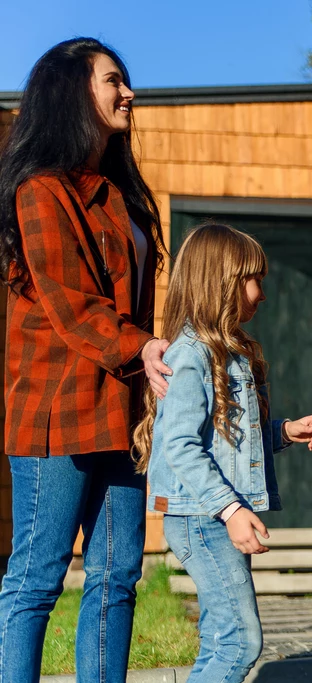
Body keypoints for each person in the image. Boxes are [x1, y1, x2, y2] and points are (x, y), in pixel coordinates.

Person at [0, 38, 174, 682]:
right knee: (37, 577)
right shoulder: (42, 191)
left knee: (116, 576)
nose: (128, 92)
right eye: (112, 81)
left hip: (121, 411)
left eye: (125, 80)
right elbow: (72, 303)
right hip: (58, 412)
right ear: (73, 91)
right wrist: (140, 346)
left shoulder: (121, 196)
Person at [133, 223, 312, 682]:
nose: (262, 294)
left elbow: (226, 442)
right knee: (241, 641)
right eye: (254, 279)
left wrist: (285, 431)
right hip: (201, 517)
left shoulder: (228, 353)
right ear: (222, 281)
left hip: (211, 514)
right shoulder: (193, 354)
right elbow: (181, 446)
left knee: (220, 639)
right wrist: (230, 511)